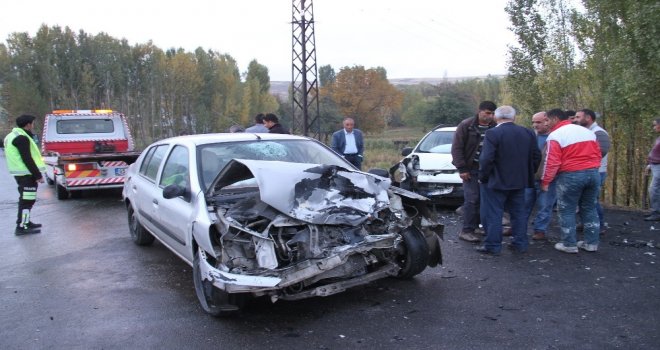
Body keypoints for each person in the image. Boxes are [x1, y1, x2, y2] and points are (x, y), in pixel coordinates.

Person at [476, 106, 540, 255]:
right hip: (520, 180)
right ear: (514, 117)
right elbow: (536, 156)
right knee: (518, 213)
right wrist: (528, 172)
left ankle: (493, 245)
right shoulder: (527, 132)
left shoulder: (493, 133)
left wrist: (482, 177)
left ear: (496, 118)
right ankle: (520, 243)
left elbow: (486, 159)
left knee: (493, 214)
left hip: (496, 181)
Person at [541, 109, 602, 253]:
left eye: (547, 120)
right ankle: (591, 243)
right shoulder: (587, 132)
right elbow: (598, 153)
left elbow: (552, 161)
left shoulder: (556, 135)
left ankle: (569, 244)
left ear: (555, 119)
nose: (546, 123)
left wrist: (546, 181)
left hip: (571, 175)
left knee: (566, 209)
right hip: (593, 173)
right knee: (589, 207)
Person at [451, 101, 497, 243]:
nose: (490, 116)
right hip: (470, 169)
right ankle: (467, 230)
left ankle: (477, 226)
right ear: (479, 111)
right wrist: (462, 168)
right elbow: (457, 148)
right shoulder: (466, 125)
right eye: (487, 113)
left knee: (484, 199)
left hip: (488, 170)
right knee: (472, 199)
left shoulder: (495, 127)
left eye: (492, 113)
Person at [3, 115, 47, 235]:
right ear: (28, 124)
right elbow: (27, 158)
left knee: (27, 200)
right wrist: (38, 175)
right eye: (32, 123)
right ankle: (22, 226)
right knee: (27, 201)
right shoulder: (22, 138)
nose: (33, 125)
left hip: (21, 174)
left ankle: (25, 222)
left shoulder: (12, 135)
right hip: (26, 174)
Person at [575, 109, 610, 232]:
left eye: (578, 117)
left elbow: (602, 151)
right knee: (583, 199)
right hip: (587, 170)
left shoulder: (599, 133)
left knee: (591, 200)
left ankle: (599, 225)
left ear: (588, 118)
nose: (575, 119)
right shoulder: (587, 132)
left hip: (597, 171)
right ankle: (586, 223)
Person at [524, 111, 557, 241]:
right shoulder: (530, 137)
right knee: (524, 204)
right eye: (533, 122)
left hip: (548, 179)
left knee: (545, 205)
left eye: (538, 122)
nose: (535, 125)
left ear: (547, 121)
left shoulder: (554, 137)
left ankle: (540, 230)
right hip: (529, 177)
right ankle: (518, 227)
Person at [645, 118, 660, 221]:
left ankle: (656, 213)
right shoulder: (658, 138)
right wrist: (650, 164)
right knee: (655, 190)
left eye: (655, 125)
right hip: (654, 165)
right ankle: (656, 212)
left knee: (653, 189)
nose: (654, 127)